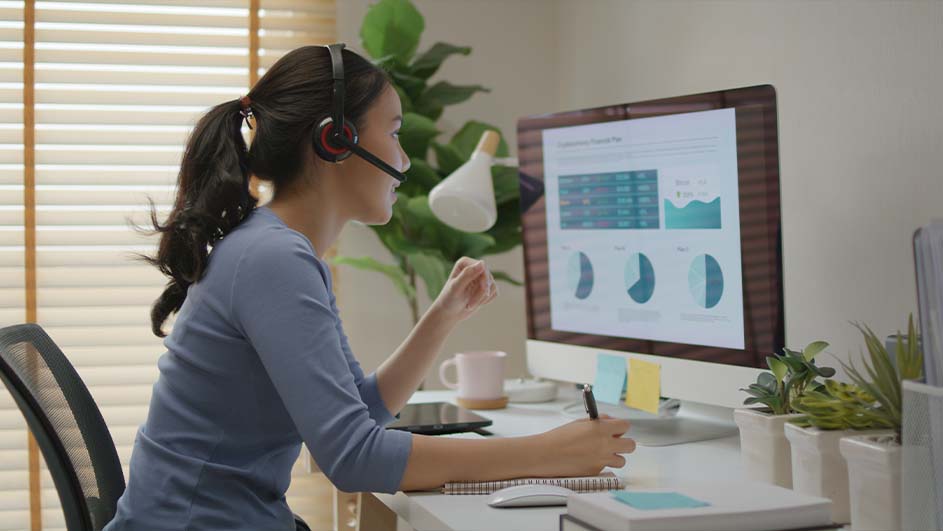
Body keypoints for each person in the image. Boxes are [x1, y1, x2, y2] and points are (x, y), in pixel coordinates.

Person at [105, 44, 636, 531]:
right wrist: (548, 453)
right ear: (336, 140)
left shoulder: (278, 249)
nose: (403, 160)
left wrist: (442, 316)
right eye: (396, 132)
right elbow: (354, 460)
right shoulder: (273, 258)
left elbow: (357, 414)